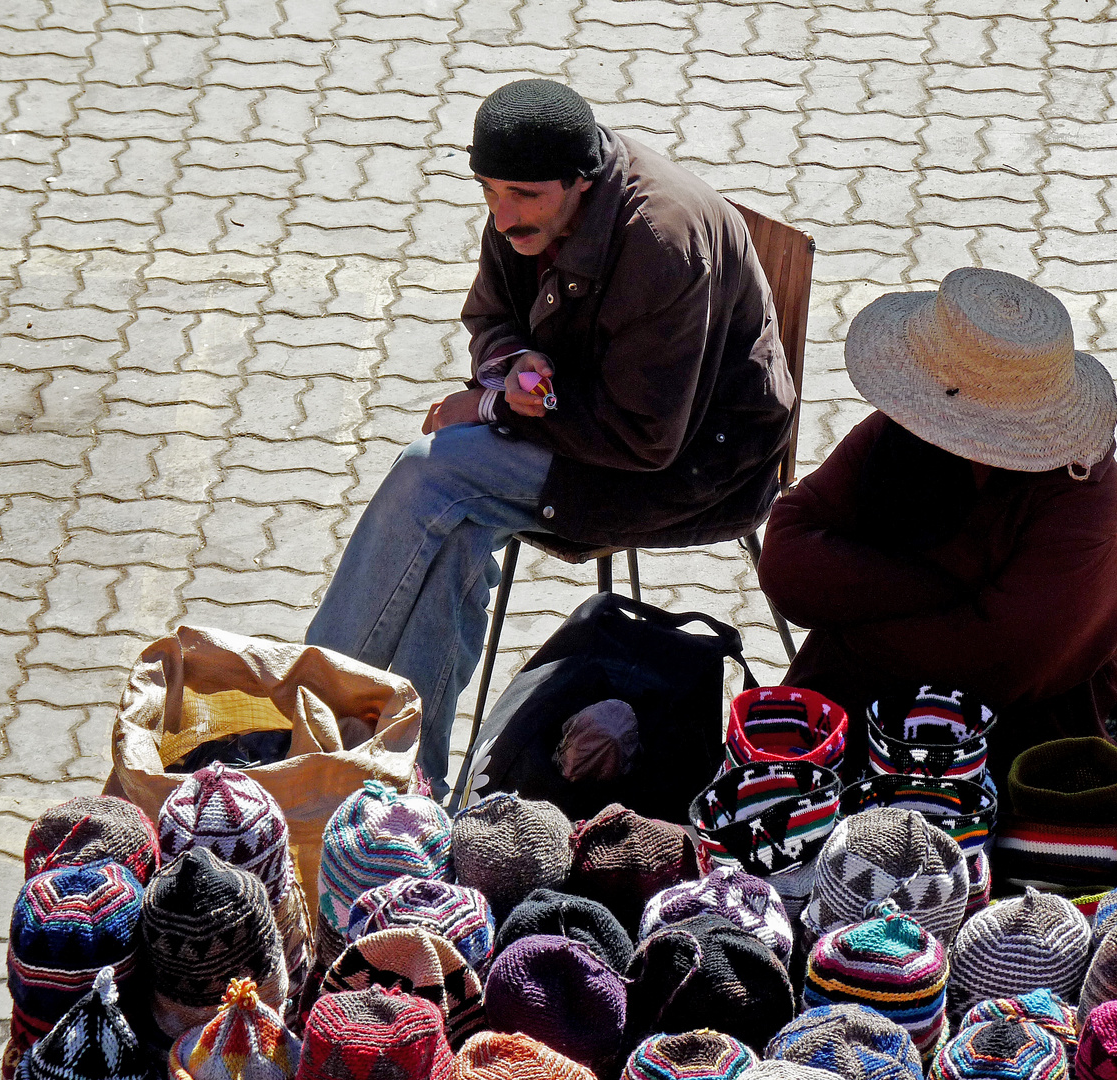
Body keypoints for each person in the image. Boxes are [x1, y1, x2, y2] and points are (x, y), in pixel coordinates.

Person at [306, 80, 795, 787]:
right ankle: (406, 785)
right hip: (591, 421)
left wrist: (496, 409)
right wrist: (511, 365)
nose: (502, 216)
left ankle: (304, 711)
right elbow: (490, 317)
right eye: (488, 191)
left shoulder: (659, 244)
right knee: (455, 530)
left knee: (430, 473)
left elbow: (646, 438)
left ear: (582, 180)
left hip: (691, 466)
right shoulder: (527, 202)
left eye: (523, 196)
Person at [757, 267, 1117, 782]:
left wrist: (847, 613)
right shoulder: (901, 427)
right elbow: (786, 558)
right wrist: (947, 586)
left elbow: (997, 664)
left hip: (1032, 740)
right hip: (862, 702)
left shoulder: (1085, 499)